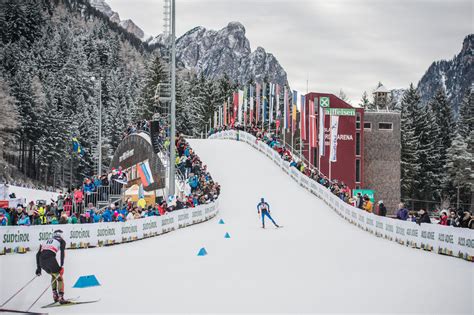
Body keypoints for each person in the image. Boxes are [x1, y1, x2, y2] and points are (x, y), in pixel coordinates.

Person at [35, 229, 68, 304]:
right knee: (59, 278)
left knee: (53, 275)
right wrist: (62, 266)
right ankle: (61, 297)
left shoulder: (46, 240)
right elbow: (62, 253)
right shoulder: (62, 241)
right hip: (50, 259)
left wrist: (38, 268)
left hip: (41, 261)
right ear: (61, 235)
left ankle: (55, 295)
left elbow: (37, 254)